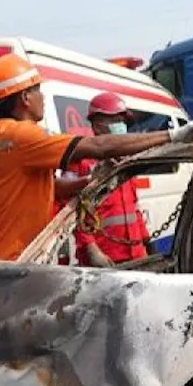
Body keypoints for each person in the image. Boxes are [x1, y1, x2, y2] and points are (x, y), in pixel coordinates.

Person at [0, 54, 193, 262]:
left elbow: (46, 189)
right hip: (6, 266)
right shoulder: (19, 134)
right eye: (38, 91)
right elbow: (99, 146)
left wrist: (88, 181)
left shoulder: (7, 136)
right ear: (24, 98)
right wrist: (174, 135)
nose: (42, 98)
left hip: (11, 261)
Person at [64, 92, 151, 267]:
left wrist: (146, 243)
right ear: (97, 125)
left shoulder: (126, 160)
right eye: (115, 120)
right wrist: (91, 249)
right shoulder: (81, 163)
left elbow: (134, 209)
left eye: (122, 121)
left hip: (135, 254)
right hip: (105, 259)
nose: (121, 126)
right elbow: (72, 211)